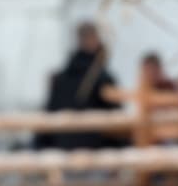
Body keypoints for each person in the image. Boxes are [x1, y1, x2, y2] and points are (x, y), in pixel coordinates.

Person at [35, 21, 123, 151]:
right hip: (97, 156)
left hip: (64, 154)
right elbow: (117, 122)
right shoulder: (103, 79)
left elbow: (48, 118)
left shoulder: (61, 79)